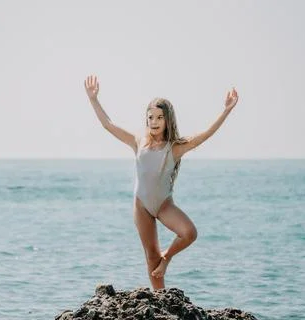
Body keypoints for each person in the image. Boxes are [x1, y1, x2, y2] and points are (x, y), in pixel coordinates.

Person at [84, 75, 239, 290]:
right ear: (146, 120)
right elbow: (108, 125)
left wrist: (226, 110)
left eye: (159, 117)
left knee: (189, 233)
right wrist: (93, 99)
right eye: (151, 117)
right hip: (142, 206)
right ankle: (160, 300)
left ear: (168, 121)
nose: (154, 122)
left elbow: (205, 135)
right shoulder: (138, 142)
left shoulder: (174, 148)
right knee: (151, 258)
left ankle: (167, 259)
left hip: (164, 205)